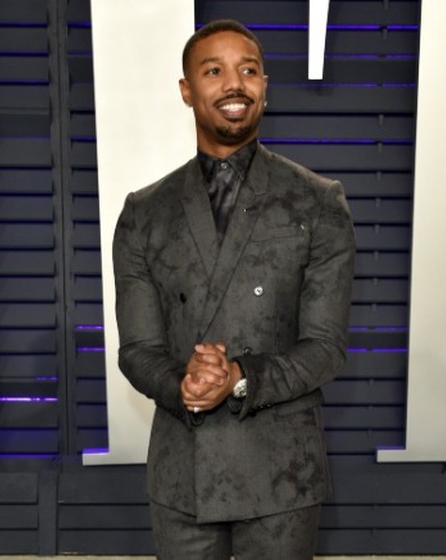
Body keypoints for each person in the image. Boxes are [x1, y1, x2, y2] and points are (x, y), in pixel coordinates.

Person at [112, 19, 355, 559]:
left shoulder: (317, 202)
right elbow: (137, 351)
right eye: (213, 70)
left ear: (265, 85)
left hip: (282, 476)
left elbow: (326, 347)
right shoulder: (144, 212)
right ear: (186, 90)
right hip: (183, 477)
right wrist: (184, 386)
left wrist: (240, 377)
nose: (234, 84)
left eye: (248, 70)